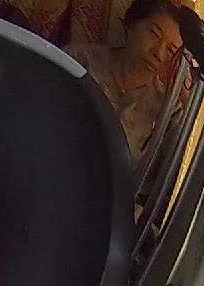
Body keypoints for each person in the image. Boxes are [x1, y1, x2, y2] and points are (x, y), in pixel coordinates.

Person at [65, 0, 184, 171]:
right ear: (131, 24)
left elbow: (166, 172)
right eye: (154, 33)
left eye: (171, 50)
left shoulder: (169, 110)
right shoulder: (79, 59)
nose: (158, 53)